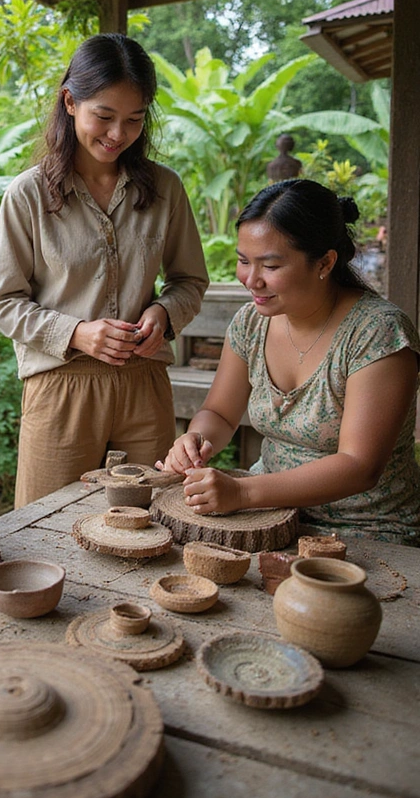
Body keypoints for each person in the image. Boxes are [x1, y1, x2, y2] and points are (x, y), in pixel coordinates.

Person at [0, 33, 208, 507]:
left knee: (152, 520)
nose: (117, 134)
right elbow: (2, 301)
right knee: (45, 532)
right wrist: (77, 333)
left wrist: (165, 315)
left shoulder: (165, 189)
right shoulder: (28, 195)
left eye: (134, 119)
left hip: (144, 382)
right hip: (61, 388)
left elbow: (190, 280)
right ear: (70, 101)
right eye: (103, 116)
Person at [162, 178, 420, 545]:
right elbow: (219, 413)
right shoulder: (251, 323)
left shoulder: (376, 334)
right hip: (269, 516)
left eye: (270, 265)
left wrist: (243, 493)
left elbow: (359, 466)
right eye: (243, 261)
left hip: (369, 530)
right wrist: (194, 439)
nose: (251, 280)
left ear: (325, 262)